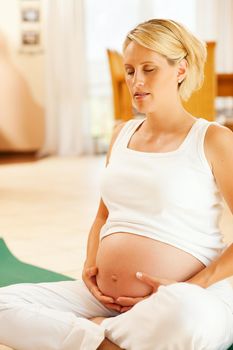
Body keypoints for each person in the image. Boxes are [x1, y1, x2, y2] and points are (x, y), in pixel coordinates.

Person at [0, 18, 233, 350]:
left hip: (186, 296)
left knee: (191, 319)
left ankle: (95, 334)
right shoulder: (120, 135)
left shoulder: (212, 139)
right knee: (2, 305)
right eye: (129, 70)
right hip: (106, 300)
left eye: (149, 69)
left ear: (180, 70)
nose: (136, 81)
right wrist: (90, 264)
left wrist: (197, 285)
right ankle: (105, 340)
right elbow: (102, 216)